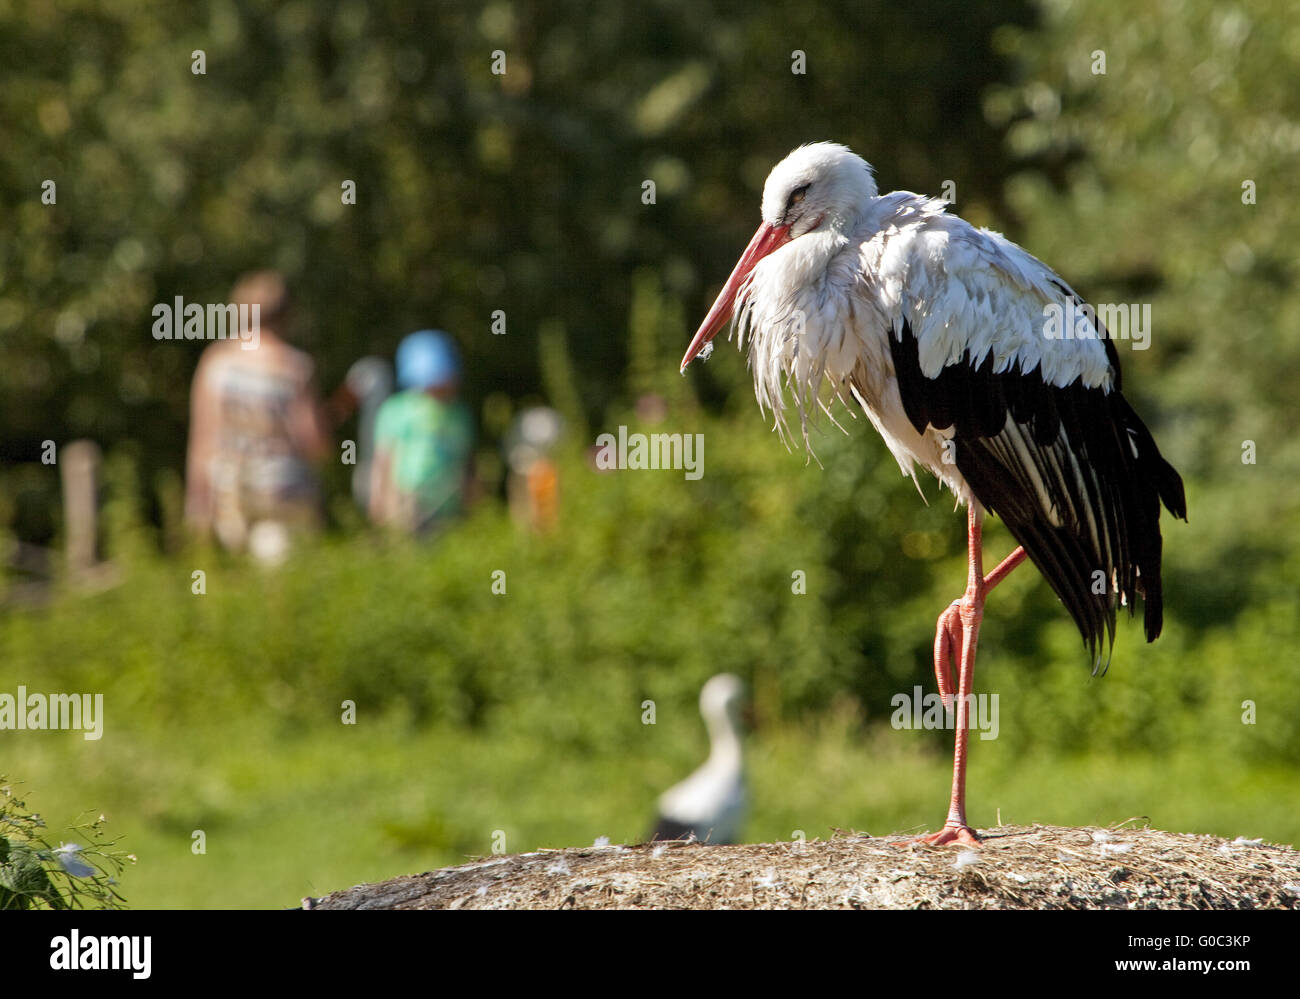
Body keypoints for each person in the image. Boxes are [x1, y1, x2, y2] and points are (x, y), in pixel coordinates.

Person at [184, 271, 331, 558]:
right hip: (285, 491)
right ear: (288, 314)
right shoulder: (295, 367)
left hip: (229, 490)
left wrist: (197, 505)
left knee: (237, 579)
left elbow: (203, 440)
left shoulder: (217, 362)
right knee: (280, 583)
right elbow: (314, 443)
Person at [368, 330, 474, 535]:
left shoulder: (460, 414)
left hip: (450, 504)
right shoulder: (397, 410)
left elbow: (467, 461)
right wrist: (379, 501)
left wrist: (471, 498)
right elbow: (384, 459)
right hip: (407, 500)